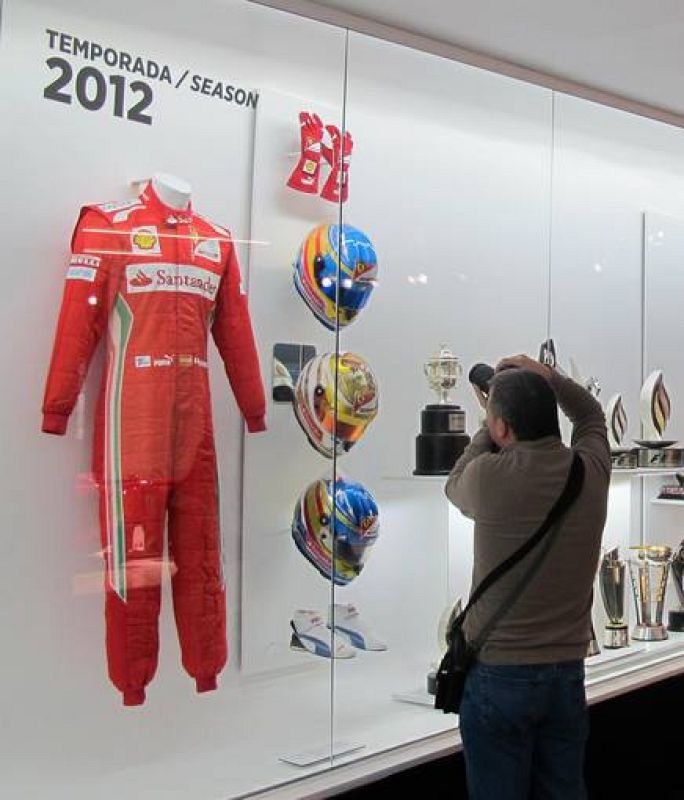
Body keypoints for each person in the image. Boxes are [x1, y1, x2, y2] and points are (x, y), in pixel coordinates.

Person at [444, 353, 610, 800]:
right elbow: (592, 414)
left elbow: (453, 482)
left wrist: (487, 423)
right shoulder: (589, 471)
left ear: (501, 427)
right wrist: (549, 377)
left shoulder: (488, 477)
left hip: (499, 672)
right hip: (566, 675)